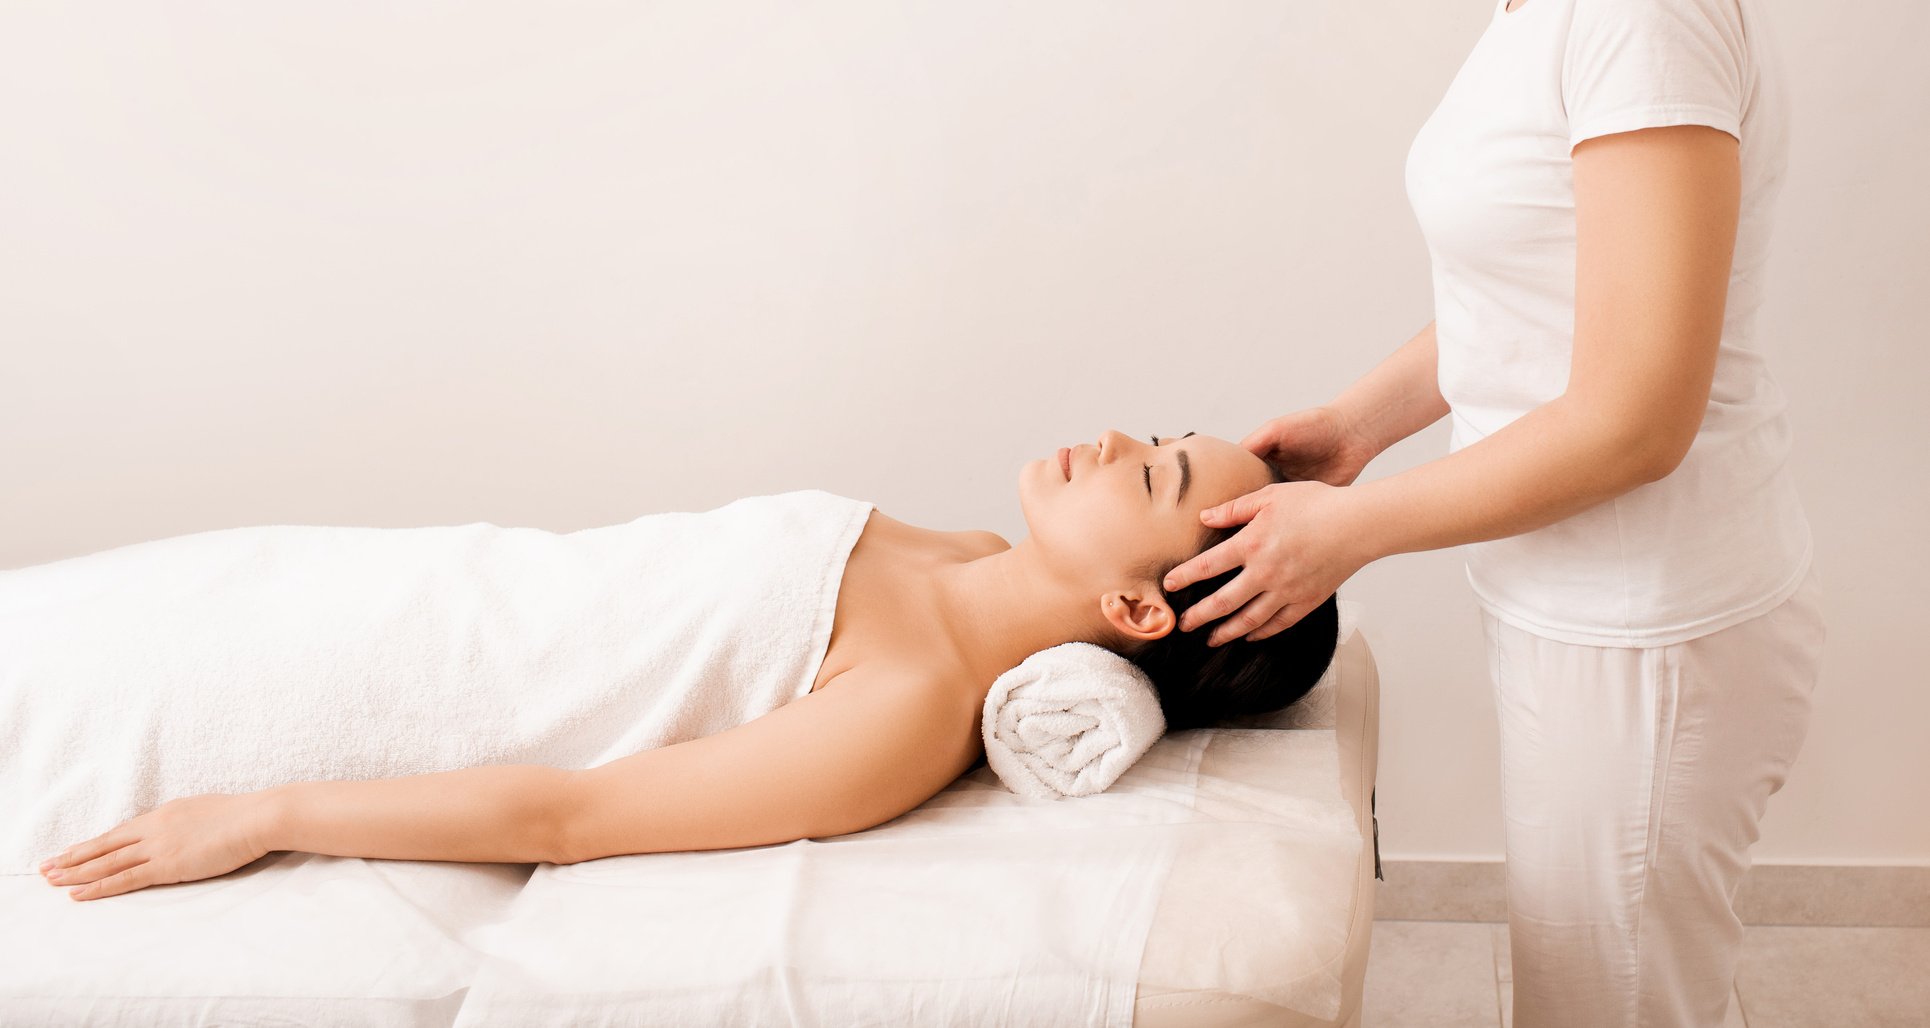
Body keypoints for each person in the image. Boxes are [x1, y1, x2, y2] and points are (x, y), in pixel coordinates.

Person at [1161, 0, 1824, 1025]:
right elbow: (1536, 277)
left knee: (1612, 1002)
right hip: (1571, 603)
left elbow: (1638, 418)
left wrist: (1351, 529)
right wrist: (1356, 425)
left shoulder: (1641, 16)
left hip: (1649, 624)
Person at [27, 429, 1339, 901]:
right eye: (1163, 437)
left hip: (349, 686)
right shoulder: (961, 548)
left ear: (1136, 608)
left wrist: (261, 814)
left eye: (1152, 471)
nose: (1112, 435)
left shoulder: (902, 713)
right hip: (396, 582)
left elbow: (565, 816)